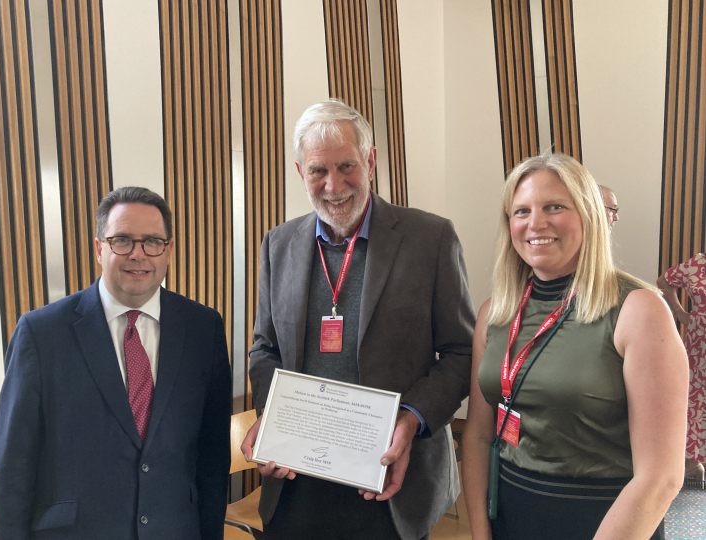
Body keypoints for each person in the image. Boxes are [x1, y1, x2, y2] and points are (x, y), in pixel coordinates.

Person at [240, 99, 475, 540]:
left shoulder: (430, 238)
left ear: (370, 160)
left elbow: (462, 351)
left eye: (346, 166)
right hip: (296, 480)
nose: (334, 185)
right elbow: (264, 347)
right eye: (318, 171)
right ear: (299, 172)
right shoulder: (278, 244)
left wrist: (411, 420)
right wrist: (274, 415)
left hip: (391, 481)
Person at [462, 153, 688, 540]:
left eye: (554, 207)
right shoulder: (494, 313)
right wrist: (481, 533)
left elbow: (661, 478)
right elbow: (479, 436)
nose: (536, 223)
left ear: (589, 215)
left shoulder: (638, 310)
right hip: (511, 513)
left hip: (605, 520)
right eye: (521, 211)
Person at [0, 187, 231, 540]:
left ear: (169, 250)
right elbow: (11, 467)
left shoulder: (203, 327)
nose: (138, 254)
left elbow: (212, 455)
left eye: (152, 241)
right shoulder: (41, 334)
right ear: (99, 248)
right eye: (122, 241)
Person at [658, 256, 706, 486]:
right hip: (700, 339)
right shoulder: (696, 264)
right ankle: (691, 462)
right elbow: (663, 281)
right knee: (696, 397)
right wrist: (679, 313)